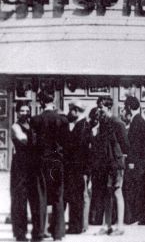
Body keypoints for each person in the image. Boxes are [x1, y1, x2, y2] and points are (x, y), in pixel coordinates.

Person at [30, 90, 68, 241]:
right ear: (54, 102)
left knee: (41, 196)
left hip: (41, 161)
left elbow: (33, 143)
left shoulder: (36, 120)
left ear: (40, 102)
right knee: (58, 197)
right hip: (57, 162)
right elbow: (66, 143)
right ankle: (58, 233)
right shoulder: (62, 120)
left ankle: (39, 233)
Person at [94, 96, 129, 236]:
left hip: (116, 163)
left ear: (108, 107)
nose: (98, 109)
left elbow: (126, 145)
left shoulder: (117, 122)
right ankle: (107, 226)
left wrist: (118, 157)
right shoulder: (103, 122)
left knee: (116, 192)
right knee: (106, 194)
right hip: (106, 163)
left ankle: (120, 227)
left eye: (100, 106)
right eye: (98, 106)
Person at [124, 97, 145, 225]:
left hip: (138, 162)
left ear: (129, 108)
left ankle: (142, 217)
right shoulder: (140, 120)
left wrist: (132, 161)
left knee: (140, 189)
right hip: (144, 161)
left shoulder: (136, 122)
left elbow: (134, 145)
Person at [10, 102, 39, 242]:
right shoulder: (15, 126)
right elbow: (23, 140)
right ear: (17, 112)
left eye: (27, 110)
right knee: (19, 199)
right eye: (22, 110)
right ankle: (20, 233)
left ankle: (36, 232)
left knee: (34, 198)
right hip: (20, 165)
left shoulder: (32, 125)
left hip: (32, 165)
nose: (25, 113)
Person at [64, 102, 91, 234]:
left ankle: (75, 226)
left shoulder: (81, 126)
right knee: (77, 197)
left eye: (70, 110)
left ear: (75, 111)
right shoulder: (83, 125)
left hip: (76, 168)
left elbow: (78, 150)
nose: (69, 113)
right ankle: (77, 225)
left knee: (75, 198)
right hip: (79, 168)